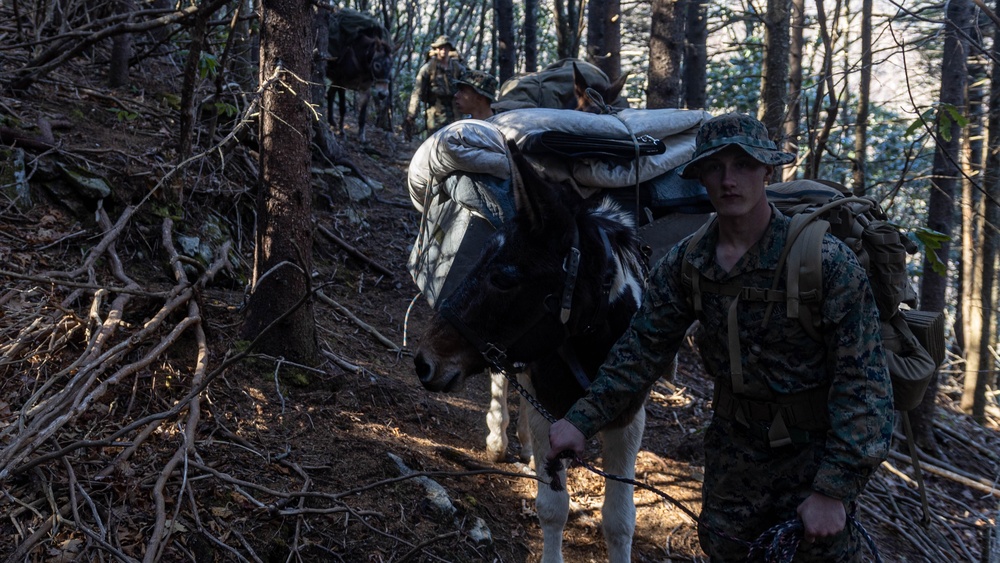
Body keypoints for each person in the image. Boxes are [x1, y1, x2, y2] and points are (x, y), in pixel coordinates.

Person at [546, 113, 894, 561]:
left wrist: (834, 489)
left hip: (813, 455)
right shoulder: (688, 262)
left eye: (744, 165)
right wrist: (581, 419)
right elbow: (641, 350)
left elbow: (864, 387)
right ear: (701, 178)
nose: (729, 180)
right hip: (734, 451)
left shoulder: (825, 262)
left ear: (768, 171)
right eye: (715, 167)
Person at [405, 35, 465, 138]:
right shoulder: (428, 68)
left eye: (446, 47)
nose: (443, 50)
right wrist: (412, 114)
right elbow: (417, 91)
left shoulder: (457, 68)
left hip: (455, 111)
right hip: (436, 111)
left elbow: (467, 88)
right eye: (440, 47)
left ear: (450, 49)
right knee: (435, 141)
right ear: (436, 49)